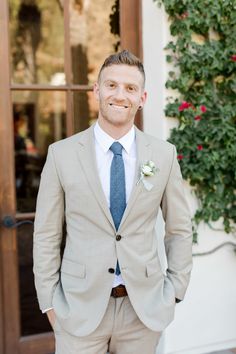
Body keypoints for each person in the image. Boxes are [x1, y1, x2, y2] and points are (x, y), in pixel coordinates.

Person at [33, 50, 192, 354]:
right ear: (96, 91)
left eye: (131, 88)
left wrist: (174, 292)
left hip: (142, 311)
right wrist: (49, 303)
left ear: (142, 97)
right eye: (111, 85)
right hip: (77, 309)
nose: (120, 95)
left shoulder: (163, 155)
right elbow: (46, 234)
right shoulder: (61, 154)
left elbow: (180, 229)